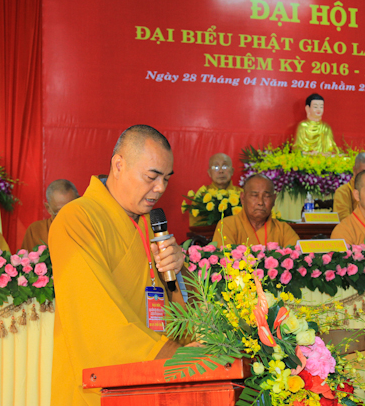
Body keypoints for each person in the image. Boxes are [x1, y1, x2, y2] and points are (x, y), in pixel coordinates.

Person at [48, 125, 190, 406]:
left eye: (166, 179)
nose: (160, 188)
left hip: (157, 379)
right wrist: (168, 354)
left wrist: (178, 271)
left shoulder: (149, 225)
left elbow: (176, 310)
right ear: (118, 165)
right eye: (151, 177)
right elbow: (94, 317)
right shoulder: (77, 218)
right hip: (103, 387)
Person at [212, 174, 300, 247]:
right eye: (254, 195)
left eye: (266, 196)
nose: (260, 202)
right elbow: (225, 259)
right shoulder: (227, 225)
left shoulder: (283, 230)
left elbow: (297, 258)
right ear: (242, 198)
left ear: (274, 199)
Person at [21, 179, 79, 251]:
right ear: (48, 208)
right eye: (59, 212)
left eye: (71, 209)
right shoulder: (36, 231)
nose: (66, 216)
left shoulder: (87, 226)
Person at [189, 153, 243, 226]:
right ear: (209, 173)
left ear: (232, 171)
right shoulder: (202, 194)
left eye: (225, 166)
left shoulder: (241, 193)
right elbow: (195, 225)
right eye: (216, 167)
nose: (221, 171)